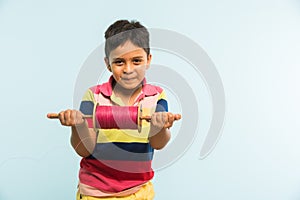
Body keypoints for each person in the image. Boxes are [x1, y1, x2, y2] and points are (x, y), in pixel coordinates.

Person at [48, 19, 180, 199]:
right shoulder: (93, 96)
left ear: (148, 60)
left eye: (136, 61)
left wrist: (160, 126)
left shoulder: (156, 97)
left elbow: (159, 143)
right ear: (107, 63)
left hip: (137, 192)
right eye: (119, 62)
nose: (128, 69)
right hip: (95, 192)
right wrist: (77, 125)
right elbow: (84, 150)